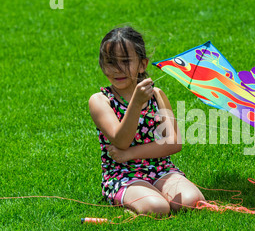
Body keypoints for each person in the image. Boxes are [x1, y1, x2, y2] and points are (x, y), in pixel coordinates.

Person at [88, 26, 205, 216]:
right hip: (123, 175)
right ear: (102, 65)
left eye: (126, 62)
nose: (117, 69)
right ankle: (130, 202)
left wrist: (130, 154)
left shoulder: (156, 95)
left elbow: (174, 142)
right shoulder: (100, 100)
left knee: (193, 201)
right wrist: (136, 103)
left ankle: (153, 194)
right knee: (158, 208)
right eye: (110, 62)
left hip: (161, 169)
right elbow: (121, 140)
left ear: (142, 65)